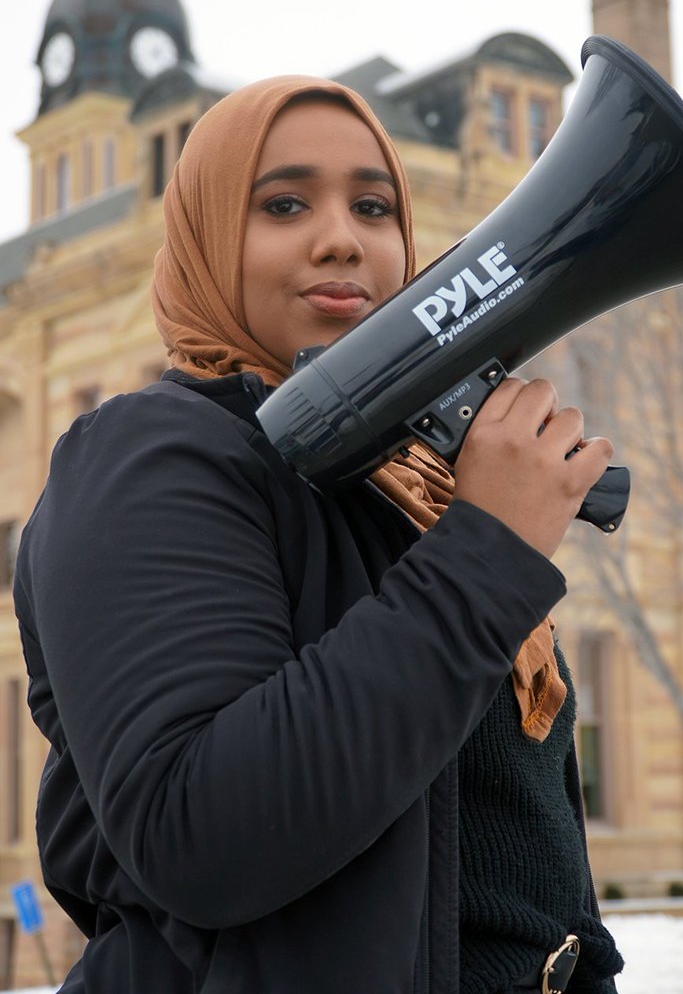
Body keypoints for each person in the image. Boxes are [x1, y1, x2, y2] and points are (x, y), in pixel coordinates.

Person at [14, 75, 624, 993]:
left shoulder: (402, 489)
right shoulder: (144, 453)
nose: (342, 236)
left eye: (374, 207)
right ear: (208, 238)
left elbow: (520, 869)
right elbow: (201, 837)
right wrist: (488, 548)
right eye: (284, 203)